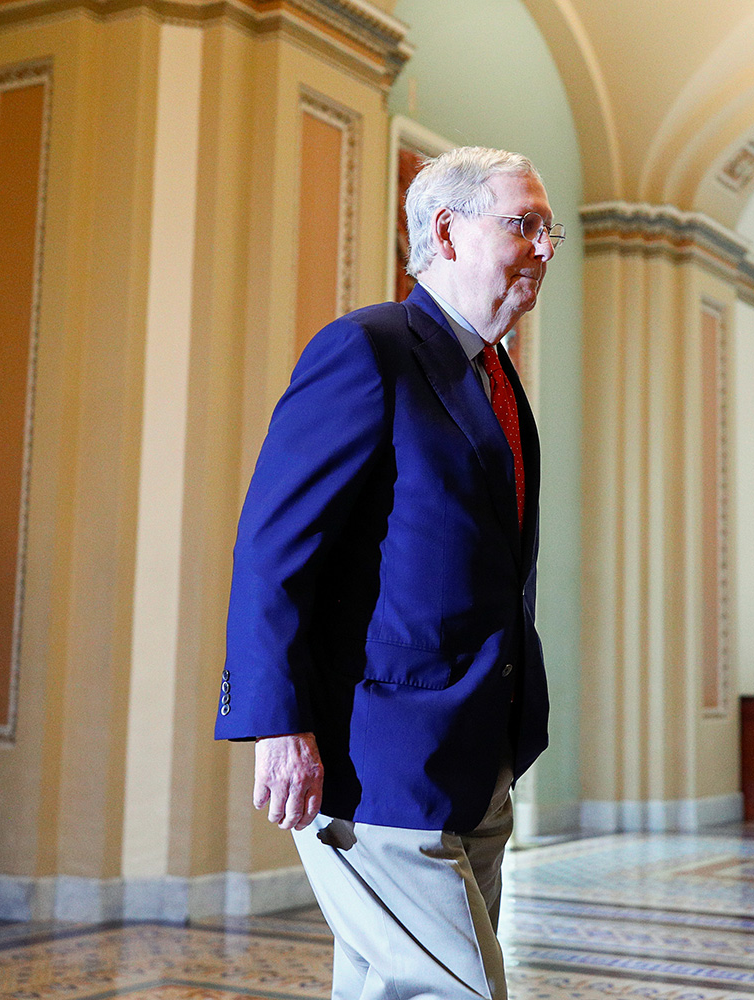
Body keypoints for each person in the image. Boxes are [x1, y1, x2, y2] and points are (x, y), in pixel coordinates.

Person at [216, 146, 558, 1000]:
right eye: (525, 225)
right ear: (446, 230)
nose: (545, 249)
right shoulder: (367, 350)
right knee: (458, 989)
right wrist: (275, 723)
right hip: (379, 760)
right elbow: (274, 548)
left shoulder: (496, 378)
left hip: (477, 757)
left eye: (550, 230)